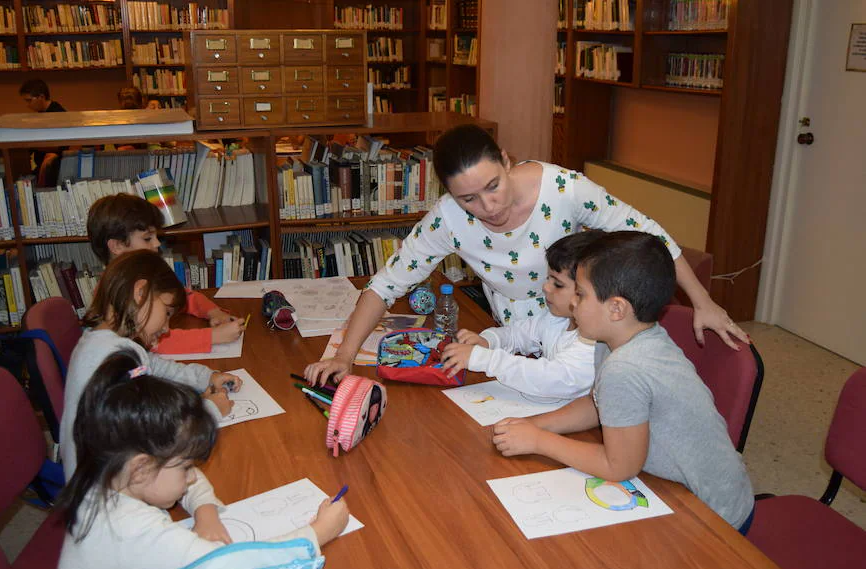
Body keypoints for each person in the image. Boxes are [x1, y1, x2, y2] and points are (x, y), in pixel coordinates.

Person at [304, 124, 748, 387]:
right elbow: (386, 285)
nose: (489, 207)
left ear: (506, 159)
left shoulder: (565, 190)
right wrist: (344, 357)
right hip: (516, 336)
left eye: (493, 185)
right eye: (469, 200)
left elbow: (648, 232)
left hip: (583, 334)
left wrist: (703, 302)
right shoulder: (447, 221)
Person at [491, 231, 755, 533]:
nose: (573, 304)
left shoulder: (625, 367)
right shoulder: (620, 338)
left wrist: (539, 441)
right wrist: (537, 424)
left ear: (616, 308)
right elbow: (598, 403)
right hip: (684, 489)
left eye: (581, 294)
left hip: (711, 516)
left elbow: (619, 466)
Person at [53, 350, 350, 569]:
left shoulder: (107, 473)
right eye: (185, 467)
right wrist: (319, 532)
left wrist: (205, 508)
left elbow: (174, 477)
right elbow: (239, 567)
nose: (192, 478)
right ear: (141, 467)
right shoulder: (135, 532)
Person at [61, 250, 240, 480]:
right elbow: (156, 434)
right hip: (106, 495)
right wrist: (209, 411)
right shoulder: (112, 361)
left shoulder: (105, 342)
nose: (166, 328)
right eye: (166, 313)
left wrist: (206, 377)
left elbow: (154, 366)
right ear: (140, 292)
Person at [439, 230, 604, 402]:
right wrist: (488, 341)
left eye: (558, 284)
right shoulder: (556, 319)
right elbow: (516, 334)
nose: (546, 288)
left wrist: (484, 359)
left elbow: (552, 379)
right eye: (548, 278)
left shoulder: (595, 342)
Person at [87, 193, 245, 355]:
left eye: (156, 236)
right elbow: (152, 343)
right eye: (147, 238)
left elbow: (186, 296)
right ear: (117, 246)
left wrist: (214, 312)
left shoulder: (145, 272)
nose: (157, 244)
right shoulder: (111, 292)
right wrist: (213, 336)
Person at [19, 79, 66, 177]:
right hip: (43, 165)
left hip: (55, 168)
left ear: (41, 97)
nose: (28, 105)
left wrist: (30, 145)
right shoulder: (42, 114)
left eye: (29, 100)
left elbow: (59, 146)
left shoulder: (58, 114)